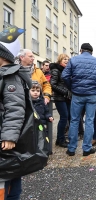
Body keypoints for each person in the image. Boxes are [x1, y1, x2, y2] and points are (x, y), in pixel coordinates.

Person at [62, 43, 96, 156]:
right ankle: (87, 148)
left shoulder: (73, 60)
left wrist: (72, 87)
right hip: (92, 95)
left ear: (81, 50)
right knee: (89, 121)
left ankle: (72, 148)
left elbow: (65, 76)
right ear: (91, 52)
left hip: (77, 94)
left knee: (74, 120)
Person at [0, 43, 31, 200]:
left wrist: (9, 136)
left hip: (6, 137)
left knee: (8, 176)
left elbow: (15, 108)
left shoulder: (10, 76)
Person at [50, 54, 71, 148]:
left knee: (66, 118)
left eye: (68, 59)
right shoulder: (56, 70)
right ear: (60, 60)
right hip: (59, 98)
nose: (67, 61)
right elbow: (53, 84)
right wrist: (65, 92)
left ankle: (60, 139)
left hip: (66, 98)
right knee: (64, 117)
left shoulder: (67, 70)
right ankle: (61, 140)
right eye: (64, 59)